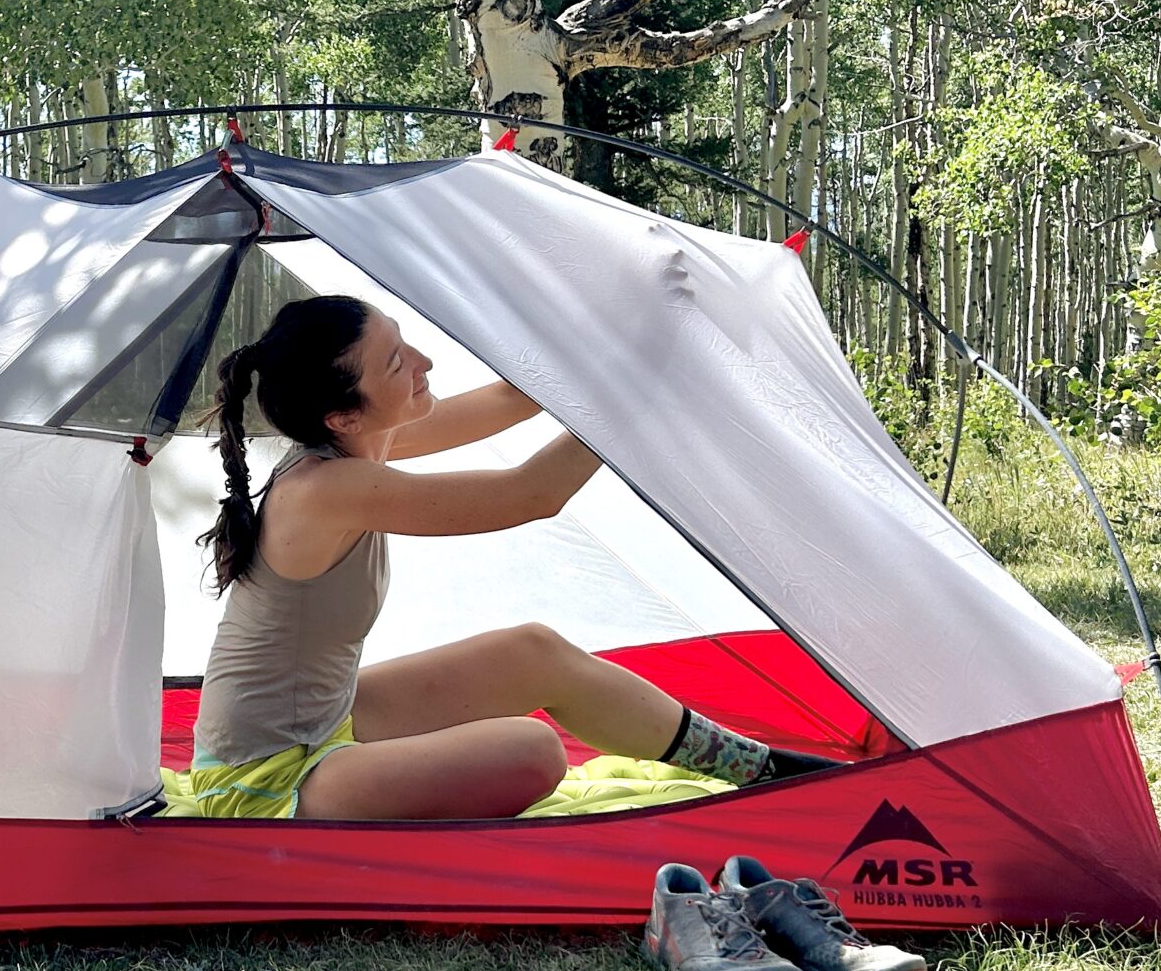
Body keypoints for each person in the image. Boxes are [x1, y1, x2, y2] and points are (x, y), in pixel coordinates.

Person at [175, 294, 841, 822]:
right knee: (535, 751)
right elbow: (530, 494)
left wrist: (632, 339)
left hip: (323, 720)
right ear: (341, 416)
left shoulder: (358, 444)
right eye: (395, 364)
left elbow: (505, 400)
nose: (424, 362)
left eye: (404, 342)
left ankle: (765, 769)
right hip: (265, 779)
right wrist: (636, 397)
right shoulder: (324, 492)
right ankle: (764, 772)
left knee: (535, 651)